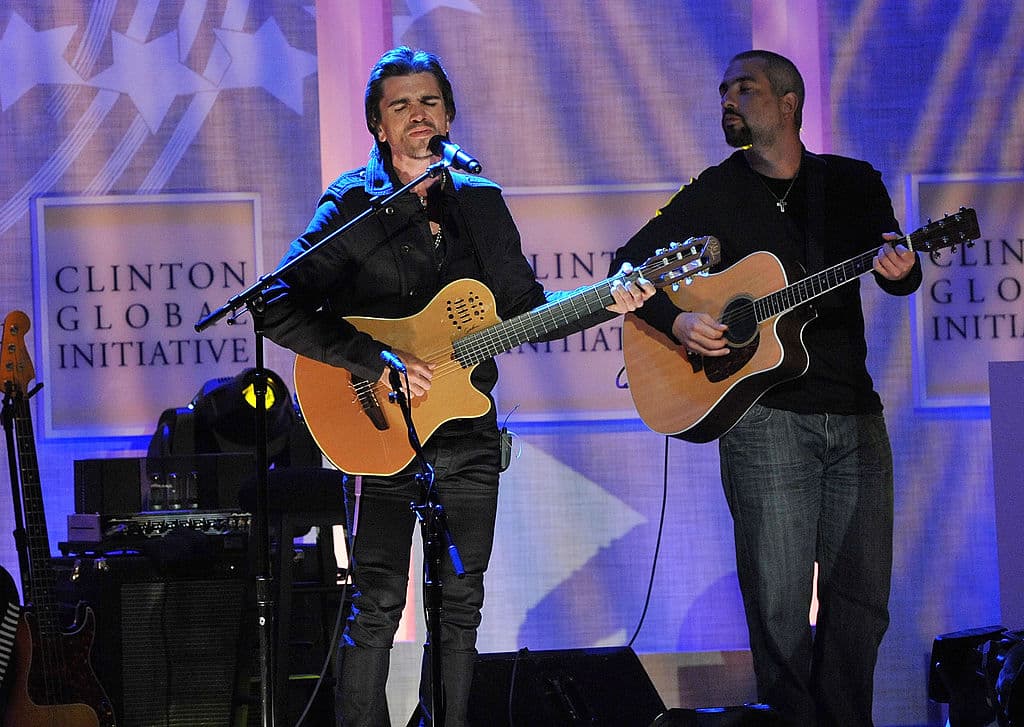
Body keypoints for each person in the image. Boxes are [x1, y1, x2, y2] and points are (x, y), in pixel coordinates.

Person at [262, 46, 653, 727]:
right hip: (378, 428)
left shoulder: (480, 202)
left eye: (431, 102)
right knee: (379, 599)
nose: (419, 115)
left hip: (469, 431)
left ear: (450, 114)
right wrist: (371, 357)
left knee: (460, 599)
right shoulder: (353, 203)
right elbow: (274, 301)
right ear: (378, 126)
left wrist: (606, 300)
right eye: (402, 105)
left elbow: (527, 312)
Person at [609, 50, 921, 726]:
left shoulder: (852, 183)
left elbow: (898, 265)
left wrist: (900, 271)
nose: (729, 99)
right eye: (723, 89)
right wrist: (679, 319)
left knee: (862, 604)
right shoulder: (717, 191)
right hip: (765, 418)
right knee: (778, 609)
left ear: (788, 103)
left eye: (744, 88)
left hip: (856, 416)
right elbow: (625, 265)